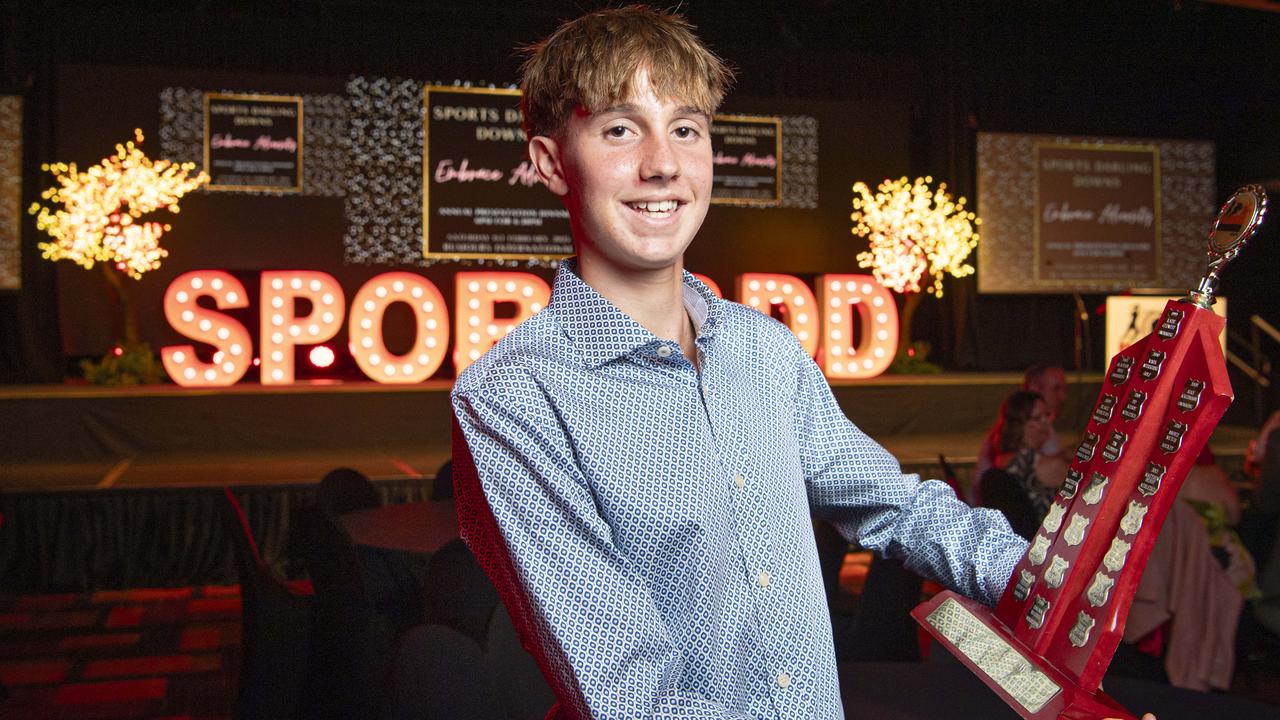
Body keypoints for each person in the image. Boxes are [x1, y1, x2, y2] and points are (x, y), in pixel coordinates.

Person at [451, 7, 1149, 719]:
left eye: (686, 128)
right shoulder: (511, 398)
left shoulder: (765, 349)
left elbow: (894, 506)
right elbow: (636, 698)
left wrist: (1050, 578)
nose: (662, 163)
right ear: (547, 162)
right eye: (620, 128)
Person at [976, 390, 1066, 539]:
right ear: (1021, 424)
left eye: (1048, 415)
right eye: (1038, 418)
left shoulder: (1001, 460)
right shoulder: (1029, 462)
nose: (1047, 422)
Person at [972, 363, 1068, 503]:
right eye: (1056, 389)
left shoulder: (1005, 456)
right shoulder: (1029, 462)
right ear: (1022, 424)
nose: (1063, 397)